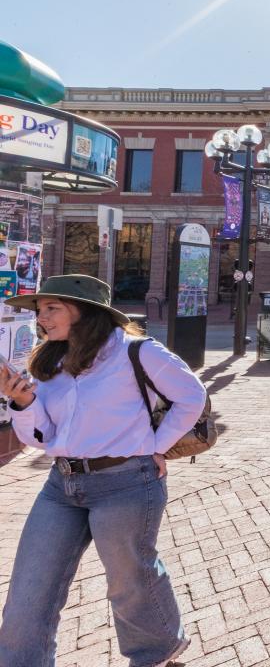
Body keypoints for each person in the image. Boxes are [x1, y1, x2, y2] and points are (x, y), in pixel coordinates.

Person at [0, 275, 206, 666]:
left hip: (127, 484)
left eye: (51, 308)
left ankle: (157, 656)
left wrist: (155, 447)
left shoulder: (137, 352)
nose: (41, 318)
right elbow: (43, 438)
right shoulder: (51, 361)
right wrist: (24, 402)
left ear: (86, 311)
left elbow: (192, 396)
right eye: (39, 311)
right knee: (30, 586)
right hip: (61, 486)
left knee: (129, 583)